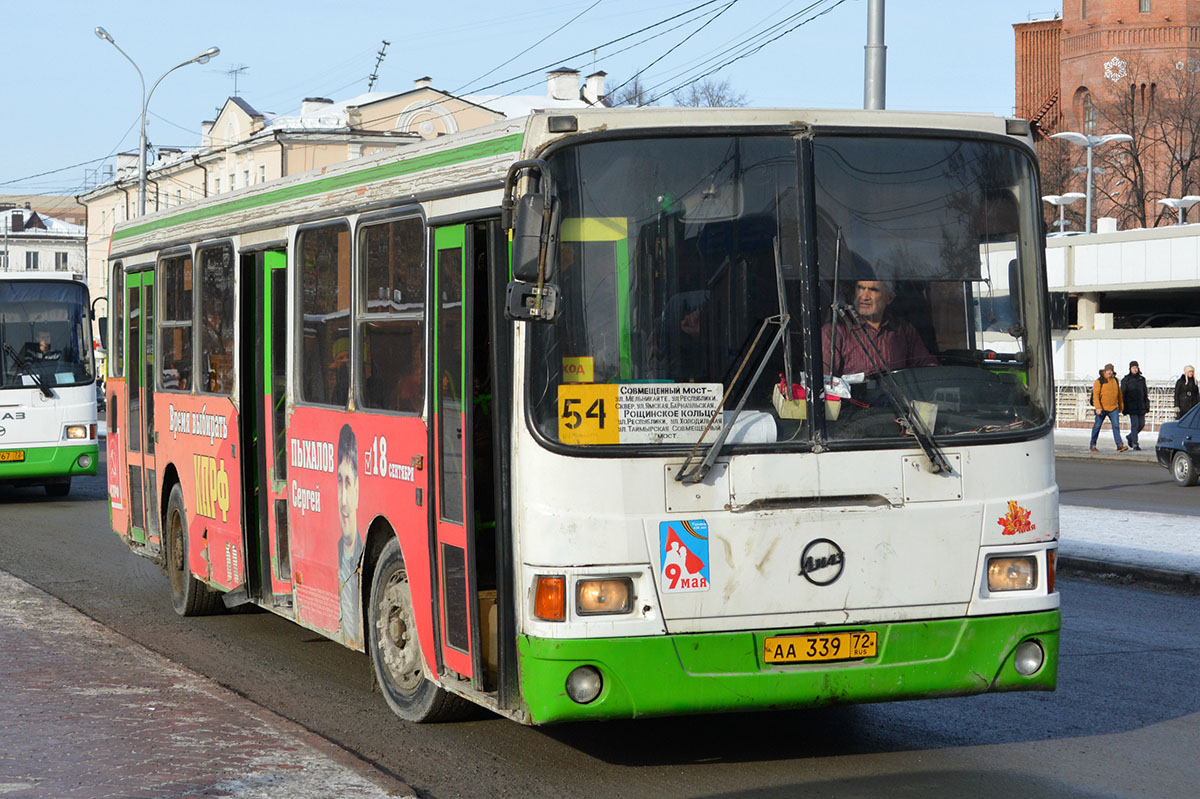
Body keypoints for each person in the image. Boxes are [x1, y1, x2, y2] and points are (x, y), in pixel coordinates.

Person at [821, 280, 937, 376]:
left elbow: (927, 368)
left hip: (898, 402)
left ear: (889, 298)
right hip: (853, 402)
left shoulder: (903, 329)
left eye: (873, 290)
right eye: (861, 288)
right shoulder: (834, 332)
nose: (864, 296)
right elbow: (825, 381)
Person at [335, 423, 365, 649]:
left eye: (348, 483)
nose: (343, 500)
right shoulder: (334, 551)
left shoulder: (365, 555)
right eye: (339, 482)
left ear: (357, 492)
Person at [1090, 363, 1128, 452]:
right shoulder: (1099, 381)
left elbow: (1119, 395)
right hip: (1102, 409)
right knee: (1097, 426)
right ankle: (1092, 445)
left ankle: (1120, 445)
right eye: (1107, 370)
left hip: (1113, 408)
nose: (1109, 372)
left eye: (1111, 370)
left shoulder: (1115, 380)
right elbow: (1095, 395)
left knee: (1116, 426)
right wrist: (1098, 407)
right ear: (1105, 371)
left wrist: (1121, 406)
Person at [1121, 361, 1149, 450]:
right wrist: (1123, 407)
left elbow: (1145, 393)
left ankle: (1130, 436)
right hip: (1131, 406)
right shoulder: (1126, 380)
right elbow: (1123, 394)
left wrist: (1146, 405)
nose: (1135, 369)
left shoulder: (1141, 379)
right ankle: (1135, 444)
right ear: (1130, 369)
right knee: (1135, 424)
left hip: (1141, 405)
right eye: (1133, 368)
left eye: (1136, 368)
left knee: (1141, 424)